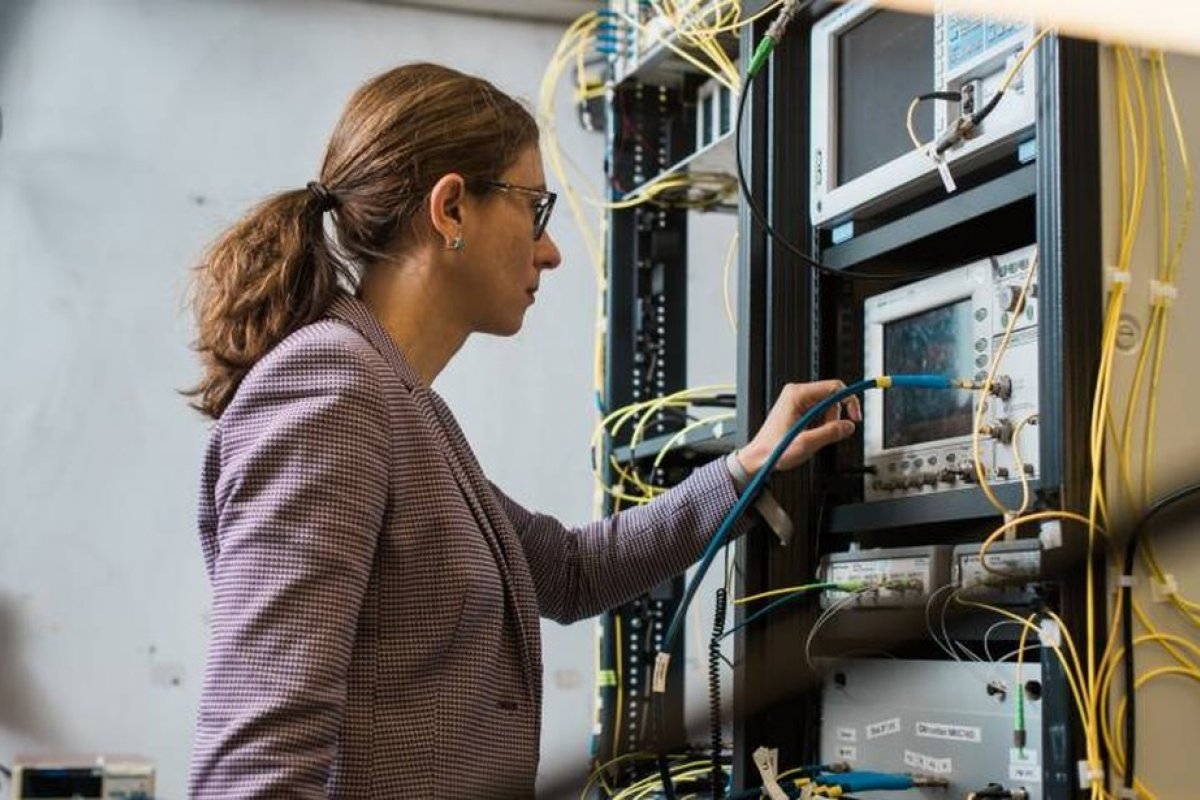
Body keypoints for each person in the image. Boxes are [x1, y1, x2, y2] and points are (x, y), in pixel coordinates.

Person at [185, 62, 860, 799]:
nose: (550, 250)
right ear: (451, 210)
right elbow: (255, 767)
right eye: (534, 209)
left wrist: (749, 467)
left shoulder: (400, 402)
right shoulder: (331, 390)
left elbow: (568, 572)